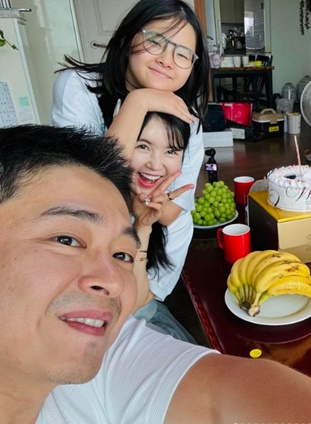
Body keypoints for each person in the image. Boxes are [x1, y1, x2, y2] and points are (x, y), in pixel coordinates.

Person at [0, 125, 311, 424]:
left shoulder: (106, 354)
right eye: (66, 239)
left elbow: (226, 389)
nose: (113, 281)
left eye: (121, 255)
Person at [51, 0, 210, 339]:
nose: (167, 59)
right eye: (156, 41)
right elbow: (88, 191)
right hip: (88, 240)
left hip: (148, 242)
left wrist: (144, 209)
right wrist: (140, 101)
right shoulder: (78, 86)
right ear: (128, 36)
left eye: (183, 54)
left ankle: (142, 302)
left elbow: (172, 212)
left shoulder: (189, 120)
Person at [131, 112, 196, 341]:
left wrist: (143, 227)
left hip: (136, 318)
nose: (155, 164)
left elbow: (137, 301)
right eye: (142, 146)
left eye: (171, 151)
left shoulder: (177, 225)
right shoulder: (89, 203)